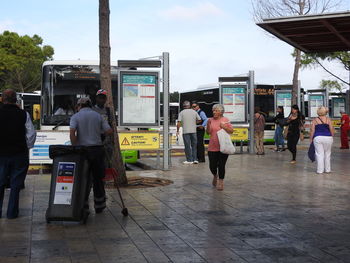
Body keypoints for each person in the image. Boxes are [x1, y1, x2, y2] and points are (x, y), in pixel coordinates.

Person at [70, 97, 113, 214]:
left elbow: (72, 134)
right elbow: (109, 131)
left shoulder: (75, 117)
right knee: (98, 179)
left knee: (83, 178)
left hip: (83, 152)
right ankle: (99, 205)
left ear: (80, 106)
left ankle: (83, 205)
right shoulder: (97, 116)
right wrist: (99, 133)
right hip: (97, 150)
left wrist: (75, 147)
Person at [0, 89, 36, 219]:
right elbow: (31, 134)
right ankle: (12, 213)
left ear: (2, 99)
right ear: (16, 100)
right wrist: (25, 147)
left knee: (0, 182)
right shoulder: (23, 114)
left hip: (1, 154)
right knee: (16, 185)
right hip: (19, 154)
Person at [206, 104, 233, 191]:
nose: (214, 112)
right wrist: (208, 125)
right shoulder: (210, 120)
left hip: (223, 147)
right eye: (213, 110)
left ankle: (221, 181)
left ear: (221, 112)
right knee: (212, 166)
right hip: (212, 147)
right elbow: (208, 133)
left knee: (221, 165)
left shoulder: (225, 120)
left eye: (216, 110)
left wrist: (224, 127)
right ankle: (215, 175)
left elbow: (231, 131)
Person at [309, 106, 334, 174]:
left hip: (318, 138)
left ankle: (320, 170)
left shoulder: (315, 120)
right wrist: (332, 136)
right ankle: (328, 170)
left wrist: (311, 138)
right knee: (327, 154)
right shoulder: (328, 119)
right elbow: (331, 129)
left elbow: (312, 130)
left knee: (319, 154)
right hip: (328, 137)